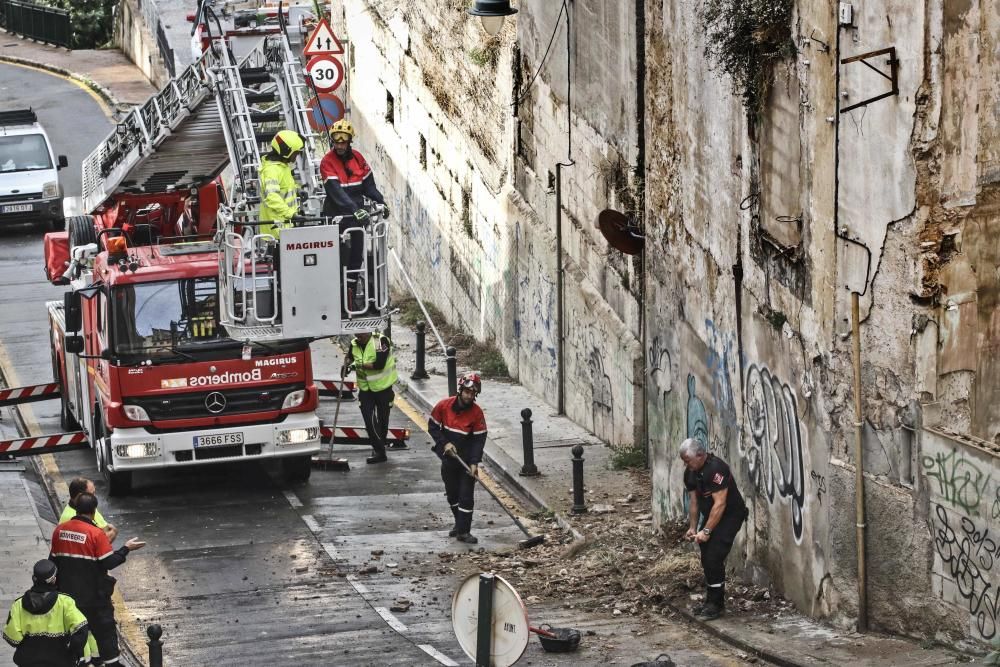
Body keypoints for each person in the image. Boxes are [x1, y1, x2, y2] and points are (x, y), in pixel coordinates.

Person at [50, 493, 145, 667]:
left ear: (76, 509)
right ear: (93, 511)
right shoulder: (95, 534)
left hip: (68, 598)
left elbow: (52, 562)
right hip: (95, 599)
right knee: (105, 634)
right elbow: (109, 561)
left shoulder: (60, 530)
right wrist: (126, 549)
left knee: (76, 634)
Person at [319, 119, 389, 310]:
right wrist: (354, 209)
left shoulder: (358, 159)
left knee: (356, 257)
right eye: (336, 140)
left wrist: (381, 201)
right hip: (337, 217)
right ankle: (337, 299)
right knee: (338, 257)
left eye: (343, 141)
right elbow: (336, 191)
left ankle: (350, 294)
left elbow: (369, 186)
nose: (339, 145)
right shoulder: (327, 162)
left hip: (357, 218)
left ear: (350, 141)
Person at [680, 438, 748, 621]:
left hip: (730, 515)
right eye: (684, 461)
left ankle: (716, 605)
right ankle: (711, 601)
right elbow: (694, 502)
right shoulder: (691, 473)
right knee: (706, 553)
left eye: (688, 460)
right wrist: (693, 528)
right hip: (713, 515)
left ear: (700, 455)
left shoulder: (716, 469)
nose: (686, 465)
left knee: (714, 554)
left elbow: (720, 504)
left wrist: (707, 531)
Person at [428, 373, 487, 544]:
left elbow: (479, 440)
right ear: (461, 390)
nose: (469, 396)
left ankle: (464, 531)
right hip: (449, 459)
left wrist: (475, 463)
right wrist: (444, 443)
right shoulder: (443, 406)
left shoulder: (477, 414)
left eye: (472, 393)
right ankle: (458, 523)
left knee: (466, 496)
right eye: (467, 392)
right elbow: (433, 426)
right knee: (453, 495)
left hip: (466, 462)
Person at [3, 559, 90, 666]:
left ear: (34, 578)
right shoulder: (65, 603)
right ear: (54, 579)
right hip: (61, 662)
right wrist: (71, 653)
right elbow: (81, 629)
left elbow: (12, 639)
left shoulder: (18, 605)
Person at [342, 329, 398, 464]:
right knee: (369, 420)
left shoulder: (381, 342)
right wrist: (346, 364)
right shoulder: (354, 344)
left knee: (383, 421)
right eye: (356, 334)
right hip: (366, 389)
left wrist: (357, 365)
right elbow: (350, 356)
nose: (357, 337)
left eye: (360, 335)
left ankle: (381, 446)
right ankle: (379, 451)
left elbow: (379, 364)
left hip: (383, 388)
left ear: (368, 332)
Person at [258, 129, 304, 239]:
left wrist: (297, 190)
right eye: (295, 153)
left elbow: (284, 187)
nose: (296, 156)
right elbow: (272, 197)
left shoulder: (282, 166)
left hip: (284, 226)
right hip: (277, 229)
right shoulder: (272, 170)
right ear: (286, 151)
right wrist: (291, 214)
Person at [60, 477, 117, 543]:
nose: (94, 497)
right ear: (80, 496)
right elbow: (90, 545)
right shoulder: (72, 518)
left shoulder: (87, 506)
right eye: (92, 494)